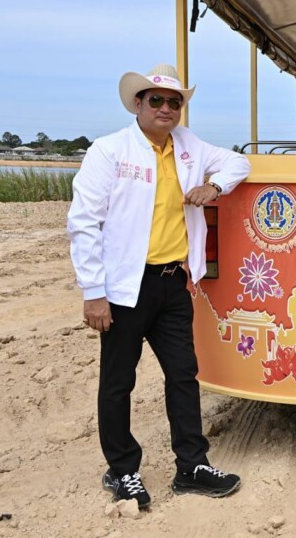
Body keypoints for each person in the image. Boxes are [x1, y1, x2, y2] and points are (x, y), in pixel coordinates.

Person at [67, 63, 251, 508]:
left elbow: (239, 162)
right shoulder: (110, 150)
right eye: (157, 100)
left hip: (173, 282)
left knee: (183, 375)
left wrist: (214, 186)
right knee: (118, 382)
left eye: (175, 102)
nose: (166, 108)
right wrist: (93, 293)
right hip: (124, 287)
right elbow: (83, 223)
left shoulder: (188, 145)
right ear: (138, 104)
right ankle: (122, 470)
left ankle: (192, 466)